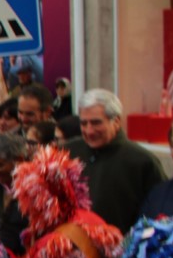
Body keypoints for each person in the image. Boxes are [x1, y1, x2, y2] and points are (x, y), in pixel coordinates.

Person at [65, 89, 165, 234]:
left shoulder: (142, 161)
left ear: (116, 121)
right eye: (84, 123)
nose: (89, 130)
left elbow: (157, 212)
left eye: (96, 123)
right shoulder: (68, 151)